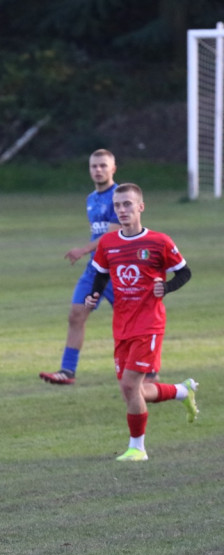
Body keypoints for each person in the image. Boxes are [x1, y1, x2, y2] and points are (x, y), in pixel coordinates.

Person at [85, 183, 198, 461]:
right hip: (121, 325)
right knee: (133, 391)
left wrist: (166, 288)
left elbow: (184, 272)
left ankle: (138, 448)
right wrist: (93, 296)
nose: (122, 209)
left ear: (140, 207)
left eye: (127, 204)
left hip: (149, 324)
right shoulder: (108, 243)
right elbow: (100, 274)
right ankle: (182, 391)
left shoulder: (159, 242)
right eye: (118, 205)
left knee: (128, 386)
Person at [40, 149, 120, 385]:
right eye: (94, 166)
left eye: (103, 166)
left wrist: (83, 249)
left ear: (113, 169)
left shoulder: (120, 196)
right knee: (76, 315)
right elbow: (99, 232)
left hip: (119, 271)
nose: (98, 170)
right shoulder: (91, 199)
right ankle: (67, 371)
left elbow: (113, 235)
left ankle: (145, 369)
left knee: (128, 322)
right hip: (95, 270)